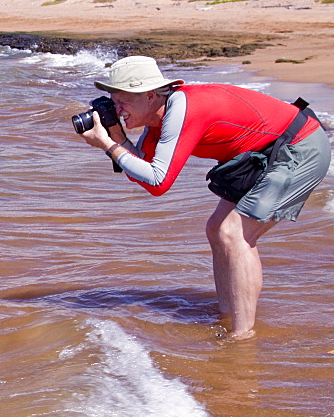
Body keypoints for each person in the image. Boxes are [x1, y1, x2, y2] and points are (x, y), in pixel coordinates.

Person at [78, 56, 330, 339]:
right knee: (217, 229)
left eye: (123, 101)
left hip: (299, 145)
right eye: (113, 102)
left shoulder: (183, 109)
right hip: (264, 154)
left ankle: (242, 336)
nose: (117, 109)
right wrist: (116, 139)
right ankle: (229, 314)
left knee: (234, 233)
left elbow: (159, 180)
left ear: (150, 96)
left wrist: (110, 145)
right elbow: (146, 179)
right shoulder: (156, 123)